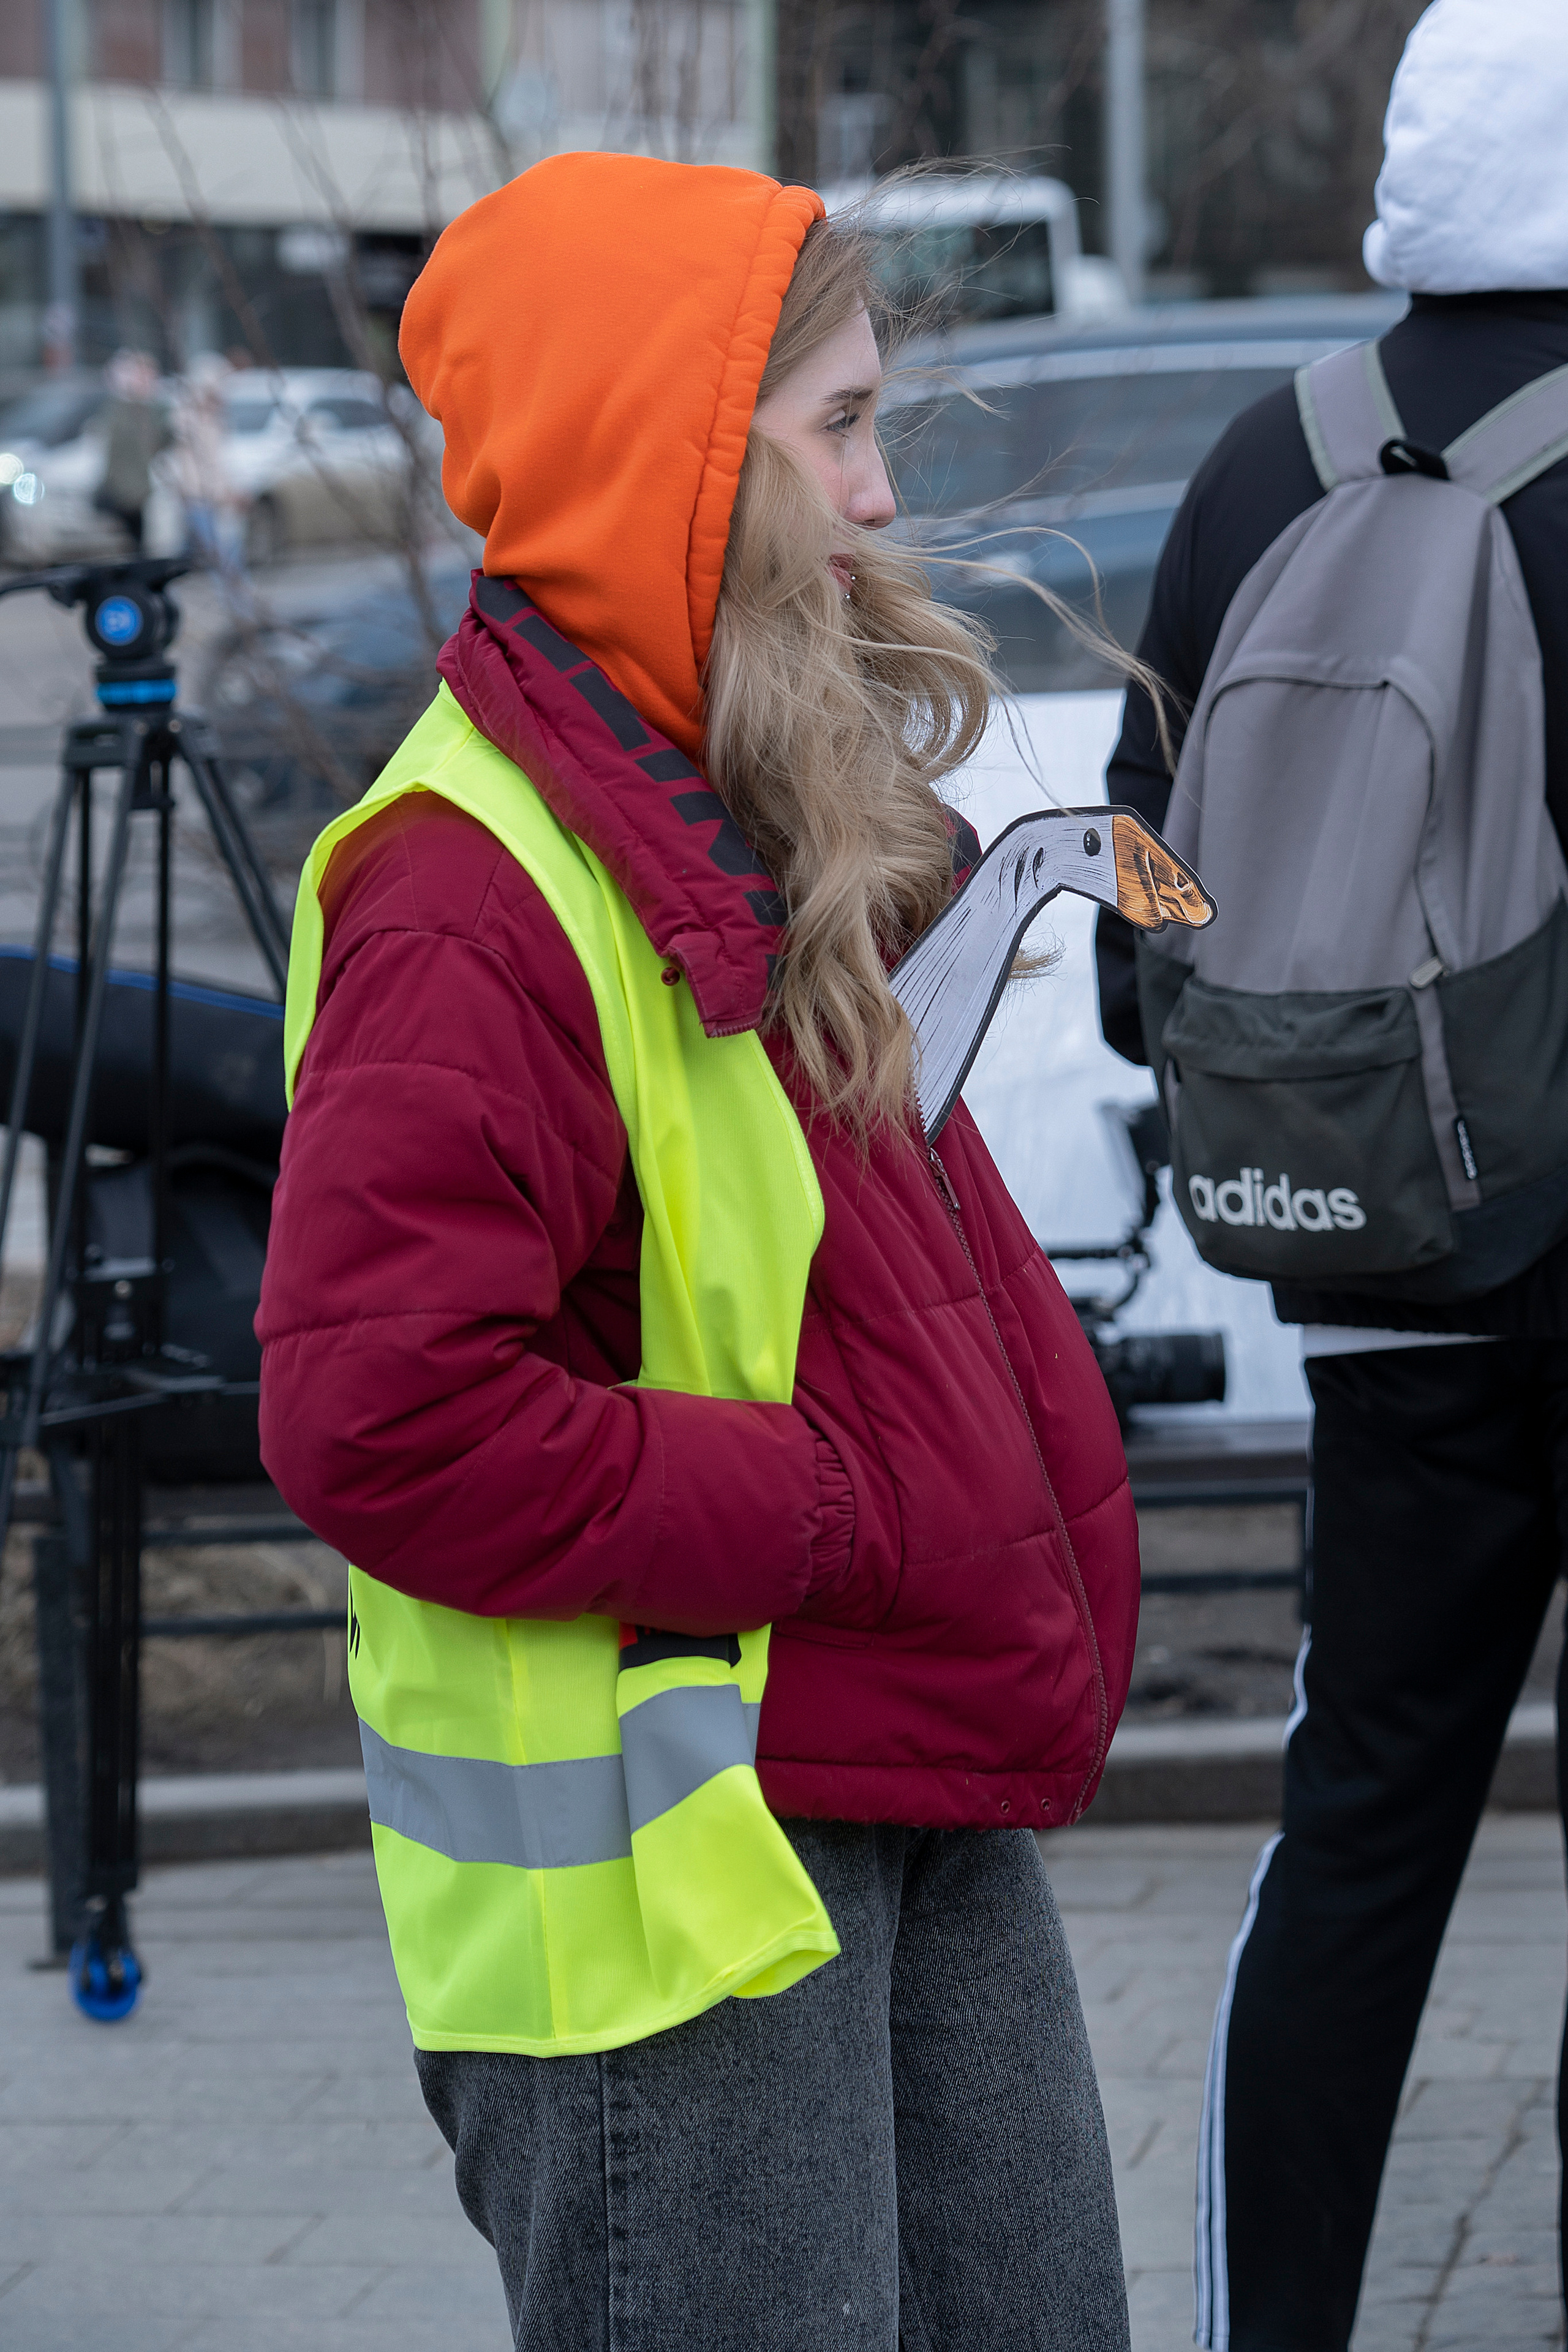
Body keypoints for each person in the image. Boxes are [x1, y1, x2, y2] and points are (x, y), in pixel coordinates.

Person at [257, 154, 1142, 2350]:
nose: (876, 491)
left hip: (867, 1743)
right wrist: (834, 1507)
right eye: (836, 426)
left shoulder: (721, 792)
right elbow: (380, 1412)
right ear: (678, 463)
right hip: (670, 1879)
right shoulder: (471, 883)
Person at [1091, 4, 1568, 2345]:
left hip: (1384, 1274)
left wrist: (1258, 1031)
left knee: (1355, 1844)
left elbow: (1137, 887)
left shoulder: (1255, 463)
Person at [94, 350, 169, 551]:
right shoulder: (121, 411)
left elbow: (162, 444)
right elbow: (115, 456)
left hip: (149, 491)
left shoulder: (154, 410)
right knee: (134, 544)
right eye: (141, 375)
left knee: (148, 544)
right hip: (130, 494)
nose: (147, 381)